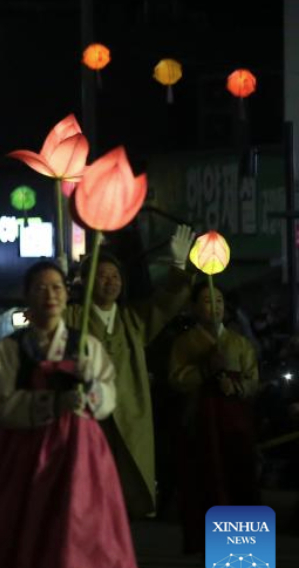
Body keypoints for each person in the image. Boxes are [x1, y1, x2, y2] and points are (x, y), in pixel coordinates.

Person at [0, 262, 133, 568]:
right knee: (28, 520)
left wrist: (91, 391)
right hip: (27, 452)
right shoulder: (12, 348)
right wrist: (53, 404)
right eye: (40, 288)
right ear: (27, 296)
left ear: (67, 295)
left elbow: (109, 395)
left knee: (79, 518)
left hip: (80, 449)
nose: (50, 295)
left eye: (57, 287)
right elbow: (2, 405)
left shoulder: (85, 345)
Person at [63, 225, 193, 517]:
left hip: (127, 411)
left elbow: (165, 303)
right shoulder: (73, 317)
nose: (110, 282)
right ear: (85, 281)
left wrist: (178, 265)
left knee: (120, 493)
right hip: (87, 416)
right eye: (102, 275)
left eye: (115, 276)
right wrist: (59, 283)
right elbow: (46, 321)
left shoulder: (133, 321)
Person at [169, 283, 259, 554]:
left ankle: (245, 553)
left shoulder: (239, 342)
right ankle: (209, 550)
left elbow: (253, 379)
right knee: (206, 483)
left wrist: (238, 387)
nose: (215, 306)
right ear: (194, 307)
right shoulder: (184, 343)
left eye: (219, 301)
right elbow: (176, 379)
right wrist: (205, 369)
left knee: (240, 482)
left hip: (235, 426)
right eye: (208, 301)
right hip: (201, 424)